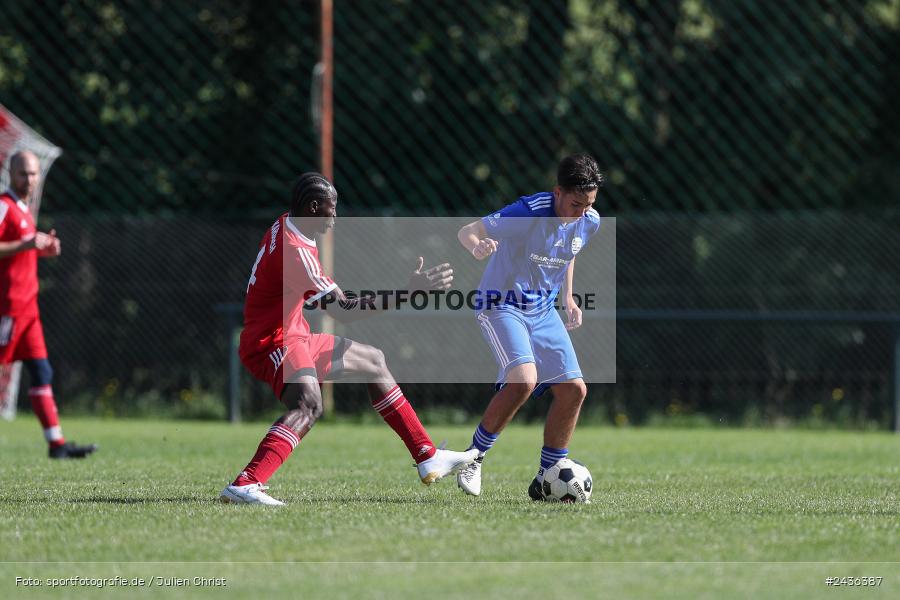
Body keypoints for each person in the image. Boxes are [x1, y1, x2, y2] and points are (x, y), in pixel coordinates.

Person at [220, 172, 478, 506]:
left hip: (293, 333)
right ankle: (246, 483)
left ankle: (426, 455)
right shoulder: (296, 251)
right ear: (313, 208)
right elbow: (343, 310)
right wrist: (408, 293)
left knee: (374, 361)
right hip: (272, 342)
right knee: (308, 405)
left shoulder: (288, 223)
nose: (335, 217)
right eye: (331, 210)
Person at [455, 153, 603, 499]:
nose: (581, 212)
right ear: (557, 192)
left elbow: (570, 250)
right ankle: (473, 458)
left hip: (543, 310)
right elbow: (468, 230)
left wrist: (568, 297)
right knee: (523, 380)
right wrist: (478, 247)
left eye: (589, 204)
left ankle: (548, 474)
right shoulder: (529, 211)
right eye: (575, 203)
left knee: (574, 391)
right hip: (501, 304)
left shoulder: (589, 220)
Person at [0, 150, 97, 459]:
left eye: (32, 173)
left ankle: (57, 445)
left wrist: (42, 249)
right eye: (22, 173)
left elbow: (18, 252)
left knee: (42, 371)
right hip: (8, 309)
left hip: (28, 311)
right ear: (11, 174)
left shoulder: (24, 210)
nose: (28, 179)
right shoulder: (4, 206)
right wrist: (29, 243)